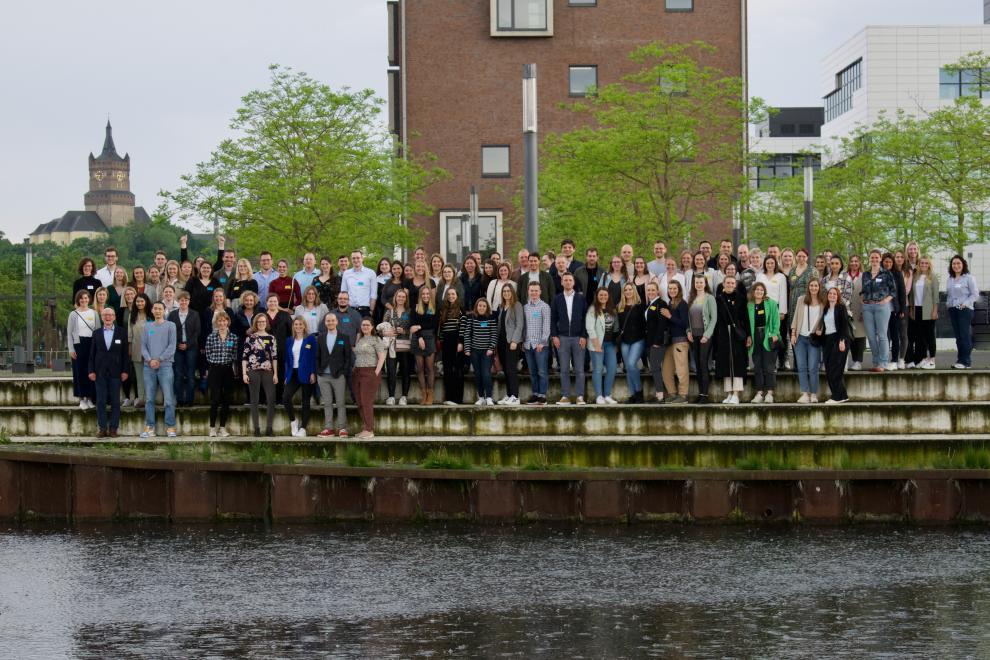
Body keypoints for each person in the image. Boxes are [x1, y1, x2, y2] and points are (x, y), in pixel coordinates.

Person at [87, 307, 129, 437]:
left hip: (116, 372)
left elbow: (125, 354)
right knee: (100, 401)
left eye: (110, 315)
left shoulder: (122, 332)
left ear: (114, 317)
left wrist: (125, 371)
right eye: (105, 315)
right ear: (102, 317)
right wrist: (91, 371)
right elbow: (92, 354)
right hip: (99, 372)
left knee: (115, 401)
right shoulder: (96, 333)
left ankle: (113, 428)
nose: (108, 317)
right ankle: (102, 428)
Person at [141, 301, 178, 438]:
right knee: (149, 399)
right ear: (152, 310)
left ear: (164, 311)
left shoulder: (171, 326)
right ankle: (150, 427)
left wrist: (159, 359)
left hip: (165, 366)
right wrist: (150, 360)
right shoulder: (147, 326)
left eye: (160, 309)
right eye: (155, 309)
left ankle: (170, 427)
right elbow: (143, 346)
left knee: (168, 399)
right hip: (148, 366)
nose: (157, 311)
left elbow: (172, 346)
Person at [550, 272, 588, 405]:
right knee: (564, 369)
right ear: (561, 282)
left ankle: (580, 396)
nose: (567, 282)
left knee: (579, 369)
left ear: (573, 282)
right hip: (563, 338)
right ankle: (565, 396)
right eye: (565, 280)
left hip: (578, 337)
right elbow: (553, 319)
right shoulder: (557, 299)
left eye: (570, 280)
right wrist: (554, 336)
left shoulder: (581, 298)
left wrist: (584, 335)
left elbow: (585, 318)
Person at [242, 313, 278, 437]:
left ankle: (269, 428)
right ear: (256, 324)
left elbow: (274, 357)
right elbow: (244, 357)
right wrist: (244, 373)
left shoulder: (272, 338)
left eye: (263, 321)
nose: (261, 323)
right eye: (259, 322)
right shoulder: (250, 338)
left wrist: (276, 374)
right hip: (253, 370)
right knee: (254, 400)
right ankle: (256, 428)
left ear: (266, 323)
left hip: (268, 371)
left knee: (271, 399)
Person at [713, 275, 748, 404]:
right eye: (727, 282)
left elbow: (745, 318)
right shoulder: (718, 299)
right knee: (725, 363)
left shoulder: (741, 299)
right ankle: (728, 393)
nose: (730, 285)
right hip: (723, 334)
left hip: (736, 334)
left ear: (735, 285)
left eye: (732, 283)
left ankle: (736, 394)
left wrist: (748, 335)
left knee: (737, 363)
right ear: (723, 284)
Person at [316, 312, 352, 437]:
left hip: (338, 376)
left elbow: (348, 357)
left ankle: (342, 428)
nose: (330, 322)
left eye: (332, 320)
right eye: (328, 321)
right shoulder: (320, 337)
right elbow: (317, 356)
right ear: (325, 323)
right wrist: (318, 371)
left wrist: (343, 372)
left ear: (337, 322)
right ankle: (329, 428)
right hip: (323, 376)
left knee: (341, 402)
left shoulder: (344, 338)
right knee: (327, 403)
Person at [860, 249, 896, 372]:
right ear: (869, 259)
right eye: (872, 258)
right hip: (867, 307)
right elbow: (863, 290)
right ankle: (876, 362)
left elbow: (893, 291)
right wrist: (862, 300)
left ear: (880, 259)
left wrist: (886, 301)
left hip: (881, 307)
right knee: (870, 336)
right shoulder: (865, 274)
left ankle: (883, 362)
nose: (874, 260)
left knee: (882, 335)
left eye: (876, 257)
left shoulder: (886, 273)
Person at [790, 278, 825, 403]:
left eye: (816, 286)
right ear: (808, 287)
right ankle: (804, 393)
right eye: (811, 285)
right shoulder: (801, 299)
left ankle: (814, 394)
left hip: (814, 339)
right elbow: (795, 317)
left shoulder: (823, 302)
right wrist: (793, 334)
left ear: (819, 287)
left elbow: (825, 320)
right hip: (800, 338)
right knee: (802, 366)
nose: (813, 288)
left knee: (813, 367)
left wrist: (821, 330)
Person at [204, 310, 237, 437]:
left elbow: (234, 354)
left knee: (226, 399)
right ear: (216, 323)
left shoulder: (233, 337)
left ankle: (222, 427)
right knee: (215, 398)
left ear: (228, 322)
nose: (222, 323)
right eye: (220, 321)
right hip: (215, 369)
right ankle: (212, 427)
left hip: (228, 369)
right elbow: (208, 354)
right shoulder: (211, 337)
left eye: (224, 320)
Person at [283, 317, 318, 438]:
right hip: (293, 373)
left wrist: (313, 372)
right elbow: (287, 360)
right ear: (293, 326)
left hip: (307, 373)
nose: (298, 326)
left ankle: (303, 428)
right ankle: (293, 421)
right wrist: (286, 375)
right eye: (296, 324)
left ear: (304, 326)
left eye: (300, 324)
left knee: (306, 401)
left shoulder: (310, 339)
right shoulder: (289, 340)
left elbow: (314, 357)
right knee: (286, 397)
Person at [747, 282, 780, 404]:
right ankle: (759, 393)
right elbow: (747, 323)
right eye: (757, 289)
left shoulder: (770, 303)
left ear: (764, 291)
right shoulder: (749, 305)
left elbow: (776, 320)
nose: (759, 292)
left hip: (768, 336)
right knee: (757, 366)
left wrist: (775, 333)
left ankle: (769, 393)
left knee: (769, 366)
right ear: (753, 291)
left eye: (761, 290)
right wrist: (749, 336)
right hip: (755, 337)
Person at [352, 318, 386, 438]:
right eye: (363, 325)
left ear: (372, 327)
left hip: (370, 372)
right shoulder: (359, 339)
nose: (365, 327)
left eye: (367, 325)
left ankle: (369, 429)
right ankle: (365, 427)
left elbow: (382, 356)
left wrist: (376, 372)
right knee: (360, 402)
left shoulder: (376, 339)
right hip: (357, 372)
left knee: (366, 401)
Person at [167, 292, 201, 408]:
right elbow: (169, 332)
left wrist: (188, 345)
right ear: (178, 301)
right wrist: (177, 344)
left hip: (191, 348)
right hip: (177, 349)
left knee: (191, 374)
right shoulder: (172, 315)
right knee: (178, 374)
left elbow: (197, 332)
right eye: (181, 300)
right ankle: (180, 399)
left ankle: (190, 399)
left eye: (186, 300)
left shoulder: (195, 314)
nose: (184, 302)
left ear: (189, 301)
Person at [687, 276, 717, 404]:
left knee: (703, 362)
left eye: (701, 282)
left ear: (705, 284)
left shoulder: (710, 298)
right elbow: (687, 318)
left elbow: (713, 318)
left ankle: (705, 395)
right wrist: (688, 331)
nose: (698, 284)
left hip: (705, 336)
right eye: (696, 283)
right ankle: (700, 393)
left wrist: (707, 335)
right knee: (698, 366)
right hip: (694, 336)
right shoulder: (691, 299)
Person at [462, 298, 498, 405]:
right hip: (474, 351)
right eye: (479, 306)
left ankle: (489, 397)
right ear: (476, 307)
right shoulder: (472, 318)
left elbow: (494, 334)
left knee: (486, 374)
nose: (481, 308)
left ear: (487, 307)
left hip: (487, 352)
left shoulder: (491, 318)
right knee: (477, 374)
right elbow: (467, 334)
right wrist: (467, 349)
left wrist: (491, 348)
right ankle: (481, 397)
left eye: (484, 306)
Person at [587, 286, 619, 405]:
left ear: (608, 296)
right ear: (597, 296)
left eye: (605, 295)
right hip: (597, 344)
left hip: (610, 344)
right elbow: (589, 328)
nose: (603, 297)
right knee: (598, 369)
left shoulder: (612, 309)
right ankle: (599, 396)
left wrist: (616, 344)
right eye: (601, 295)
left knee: (612, 369)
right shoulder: (592, 309)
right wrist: (596, 345)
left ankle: (607, 395)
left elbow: (616, 328)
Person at [818, 287, 851, 404]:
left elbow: (844, 326)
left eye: (834, 294)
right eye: (830, 293)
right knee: (829, 369)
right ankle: (843, 395)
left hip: (838, 340)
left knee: (835, 370)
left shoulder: (840, 308)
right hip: (828, 340)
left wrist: (842, 341)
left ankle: (837, 397)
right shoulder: (826, 309)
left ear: (838, 297)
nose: (832, 295)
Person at [946, 254, 979, 370]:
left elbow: (975, 294)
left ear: (963, 264)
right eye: (954, 263)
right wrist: (948, 305)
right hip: (953, 310)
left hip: (965, 309)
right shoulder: (950, 278)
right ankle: (960, 360)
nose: (956, 265)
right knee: (958, 336)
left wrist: (964, 304)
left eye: (958, 263)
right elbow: (949, 295)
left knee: (964, 335)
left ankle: (966, 361)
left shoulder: (969, 278)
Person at [906, 256, 939, 369]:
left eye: (926, 263)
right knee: (920, 336)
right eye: (922, 263)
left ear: (929, 265)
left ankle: (932, 359)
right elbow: (911, 296)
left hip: (928, 310)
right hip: (917, 309)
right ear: (919, 265)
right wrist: (911, 310)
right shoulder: (915, 277)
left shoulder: (933, 277)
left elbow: (936, 296)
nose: (924, 265)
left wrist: (935, 310)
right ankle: (923, 359)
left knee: (930, 335)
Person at [68, 290, 99, 410]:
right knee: (79, 372)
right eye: (81, 298)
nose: (84, 300)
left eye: (86, 298)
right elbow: (69, 333)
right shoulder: (73, 314)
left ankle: (90, 398)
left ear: (89, 299)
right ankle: (81, 398)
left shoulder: (94, 313)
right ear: (78, 300)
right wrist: (71, 348)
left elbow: (97, 330)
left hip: (91, 344)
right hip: (78, 344)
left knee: (91, 371)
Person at [757, 255, 789, 370]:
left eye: (772, 263)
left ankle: (778, 363)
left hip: (776, 309)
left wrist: (782, 312)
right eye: (767, 263)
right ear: (764, 264)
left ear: (775, 264)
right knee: (764, 336)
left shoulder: (781, 277)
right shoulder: (760, 276)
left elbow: (783, 294)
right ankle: (767, 364)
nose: (770, 265)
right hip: (762, 309)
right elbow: (757, 292)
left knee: (776, 336)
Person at [661, 281, 690, 404]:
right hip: (670, 342)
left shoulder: (682, 304)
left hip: (680, 341)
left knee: (681, 369)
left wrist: (669, 317)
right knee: (666, 370)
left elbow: (685, 323)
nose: (672, 290)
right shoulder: (670, 303)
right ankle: (672, 394)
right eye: (670, 288)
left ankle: (683, 395)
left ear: (679, 290)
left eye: (674, 288)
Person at [496, 283, 525, 405]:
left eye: (508, 291)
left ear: (512, 292)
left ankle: (515, 396)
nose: (506, 293)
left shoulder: (516, 305)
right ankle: (509, 395)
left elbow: (520, 324)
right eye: (504, 291)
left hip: (512, 342)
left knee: (511, 369)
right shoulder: (502, 306)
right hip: (502, 342)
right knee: (506, 370)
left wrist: (515, 341)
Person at [382, 288, 413, 405]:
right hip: (391, 345)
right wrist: (388, 332)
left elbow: (413, 328)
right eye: (399, 296)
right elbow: (381, 327)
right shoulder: (390, 311)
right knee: (391, 370)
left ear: (406, 299)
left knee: (405, 370)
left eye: (403, 297)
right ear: (395, 297)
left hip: (405, 345)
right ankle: (391, 396)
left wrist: (404, 331)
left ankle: (404, 396)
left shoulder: (409, 312)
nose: (401, 298)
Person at [523, 282, 552, 405]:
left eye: (536, 291)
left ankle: (542, 395)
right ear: (528, 292)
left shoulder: (544, 307)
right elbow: (524, 326)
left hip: (540, 345)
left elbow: (547, 326)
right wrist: (523, 341)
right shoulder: (525, 307)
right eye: (531, 291)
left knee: (542, 371)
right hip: (528, 344)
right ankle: (535, 394)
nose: (534, 293)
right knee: (533, 372)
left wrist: (543, 342)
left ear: (540, 292)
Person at [410, 286, 439, 405]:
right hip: (418, 338)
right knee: (420, 369)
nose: (426, 296)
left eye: (428, 294)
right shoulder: (416, 307)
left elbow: (433, 323)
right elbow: (413, 324)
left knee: (430, 368)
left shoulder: (434, 308)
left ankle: (430, 394)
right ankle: (424, 394)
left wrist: (420, 326)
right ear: (420, 295)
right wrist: (419, 335)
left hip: (430, 338)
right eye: (423, 294)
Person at [438, 287, 466, 405]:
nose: (451, 296)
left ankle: (457, 399)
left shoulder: (461, 310)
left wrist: (460, 342)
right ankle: (449, 397)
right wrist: (441, 340)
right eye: (448, 294)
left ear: (457, 295)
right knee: (448, 370)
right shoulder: (444, 310)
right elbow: (442, 328)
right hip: (446, 343)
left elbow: (463, 327)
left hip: (457, 342)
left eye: (453, 294)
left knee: (457, 370)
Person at [643, 282, 669, 403]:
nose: (650, 292)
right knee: (654, 368)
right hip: (649, 341)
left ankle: (660, 395)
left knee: (655, 368)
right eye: (648, 290)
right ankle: (660, 393)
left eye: (653, 290)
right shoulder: (650, 305)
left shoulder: (661, 304)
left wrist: (657, 342)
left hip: (656, 342)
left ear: (658, 291)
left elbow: (662, 324)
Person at [881, 252, 905, 371]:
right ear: (882, 262)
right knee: (884, 336)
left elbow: (902, 293)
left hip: (894, 310)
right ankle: (883, 360)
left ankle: (894, 360)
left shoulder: (897, 274)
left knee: (895, 335)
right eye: (886, 262)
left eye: (890, 262)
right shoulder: (878, 274)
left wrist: (902, 309)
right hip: (881, 310)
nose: (888, 264)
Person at [127, 293, 152, 409]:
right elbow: (130, 334)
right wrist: (130, 348)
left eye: (142, 301)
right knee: (139, 376)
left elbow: (154, 332)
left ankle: (149, 399)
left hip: (151, 349)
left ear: (146, 302)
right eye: (138, 301)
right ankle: (141, 399)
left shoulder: (151, 315)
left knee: (149, 376)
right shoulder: (132, 315)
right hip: (136, 349)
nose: (140, 303)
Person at [341, 250, 378, 318]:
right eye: (353, 258)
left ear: (362, 258)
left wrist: (371, 310)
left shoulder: (371, 273)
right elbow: (343, 292)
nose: (356, 260)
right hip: (350, 310)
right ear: (351, 260)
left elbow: (373, 294)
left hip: (365, 310)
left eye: (358, 258)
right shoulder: (346, 273)